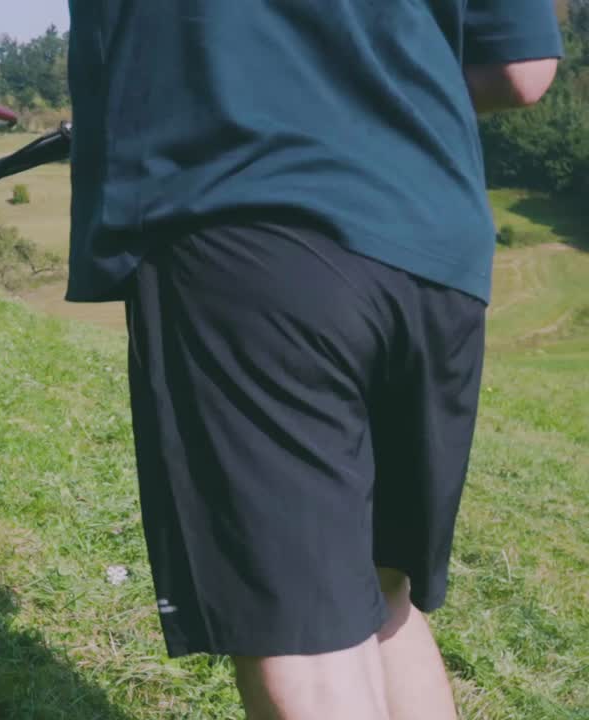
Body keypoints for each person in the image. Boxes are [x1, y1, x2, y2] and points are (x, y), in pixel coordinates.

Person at [63, 2, 562, 718]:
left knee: (304, 638)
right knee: (378, 589)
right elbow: (523, 70)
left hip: (247, 209)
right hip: (435, 241)